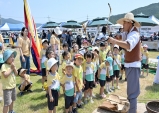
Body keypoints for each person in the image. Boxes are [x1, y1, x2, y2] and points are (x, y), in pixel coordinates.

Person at [108, 12, 141, 113]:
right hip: (131, 65)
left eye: (124, 23)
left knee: (133, 94)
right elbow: (121, 36)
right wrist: (114, 36)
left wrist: (114, 41)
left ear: (130, 23)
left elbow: (128, 45)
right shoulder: (128, 32)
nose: (123, 25)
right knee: (131, 92)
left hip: (133, 66)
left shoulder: (134, 34)